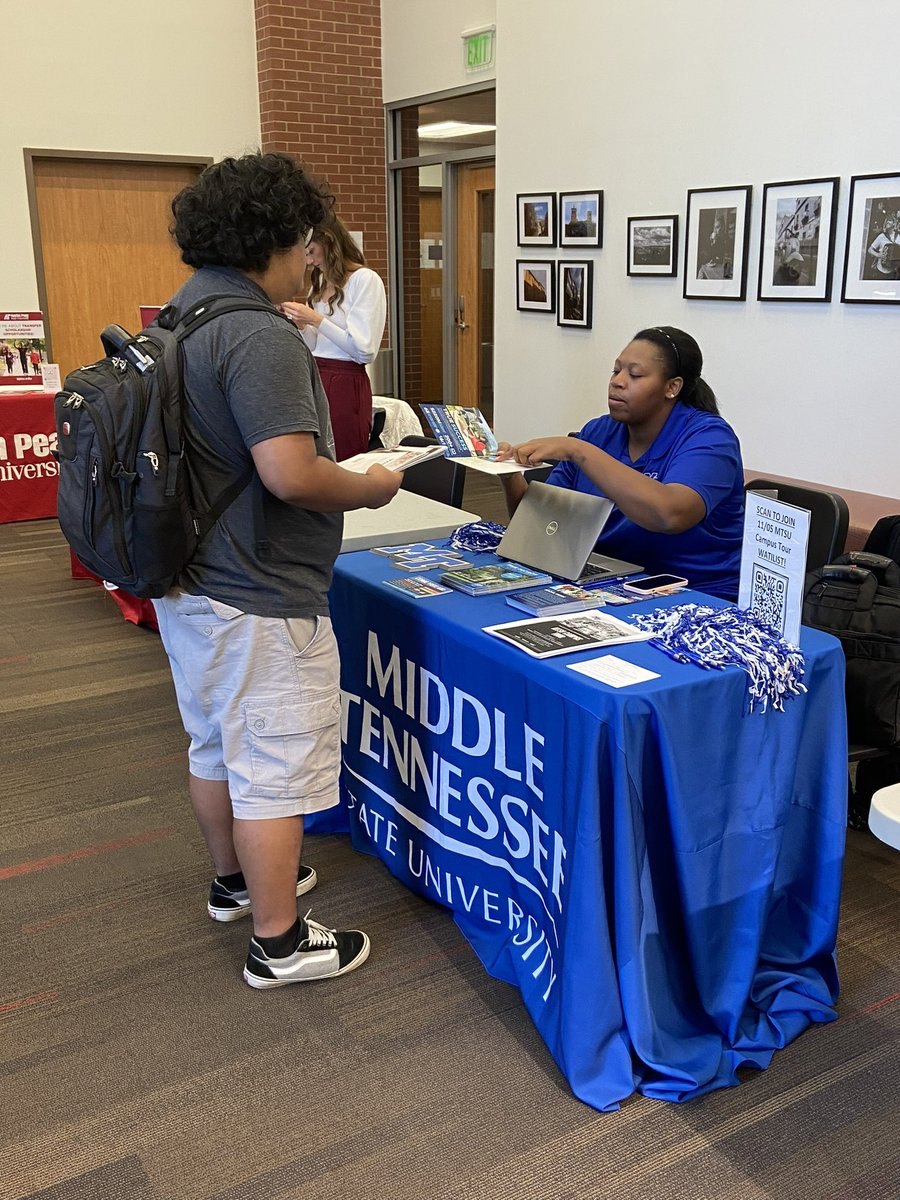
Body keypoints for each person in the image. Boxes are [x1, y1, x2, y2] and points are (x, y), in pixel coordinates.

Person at [153, 151, 402, 991]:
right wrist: (370, 487)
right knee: (273, 763)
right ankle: (279, 942)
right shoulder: (257, 335)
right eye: (309, 240)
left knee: (218, 739)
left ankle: (235, 884)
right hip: (255, 585)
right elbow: (293, 474)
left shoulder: (182, 315)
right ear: (286, 238)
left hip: (190, 576)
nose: (315, 257)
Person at [498, 326, 745, 600]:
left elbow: (670, 514)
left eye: (635, 374)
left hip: (695, 595)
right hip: (612, 583)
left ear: (672, 387)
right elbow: (545, 522)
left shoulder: (710, 438)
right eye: (616, 371)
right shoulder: (598, 432)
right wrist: (510, 475)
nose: (618, 382)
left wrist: (579, 450)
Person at [281, 212, 386, 461]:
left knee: (345, 456)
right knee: (316, 455)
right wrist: (302, 325)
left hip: (345, 378)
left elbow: (364, 350)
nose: (309, 261)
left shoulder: (365, 280)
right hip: (316, 373)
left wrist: (316, 319)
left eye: (311, 251)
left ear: (329, 241)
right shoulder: (319, 282)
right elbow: (315, 345)